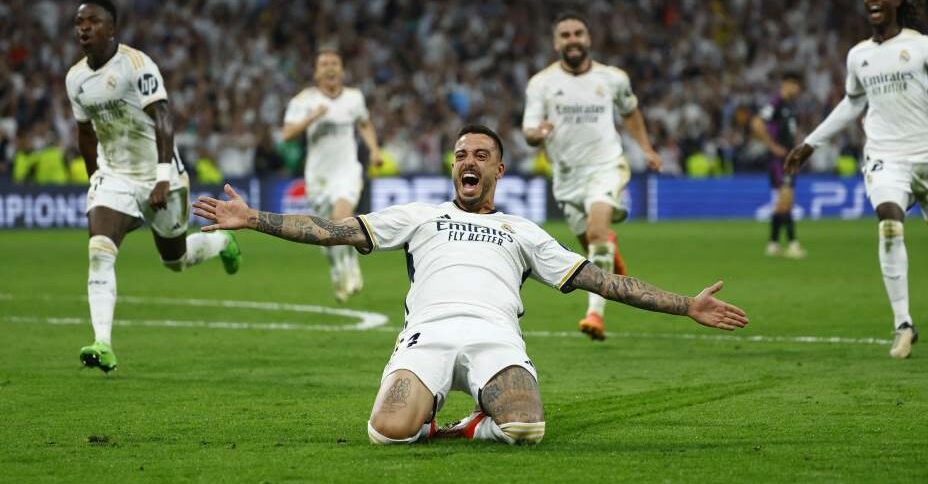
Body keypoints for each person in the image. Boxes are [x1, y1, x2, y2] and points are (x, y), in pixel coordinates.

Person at [193, 124, 748, 445]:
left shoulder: (522, 231)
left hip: (494, 338)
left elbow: (601, 280)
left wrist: (686, 305)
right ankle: (429, 418)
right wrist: (254, 219)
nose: (469, 161)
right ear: (453, 167)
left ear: (499, 170)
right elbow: (332, 230)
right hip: (427, 337)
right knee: (385, 433)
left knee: (527, 429)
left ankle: (468, 427)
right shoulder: (418, 216)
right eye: (461, 154)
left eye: (481, 155)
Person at [66, 0, 241, 373]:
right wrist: (95, 178)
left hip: (161, 175)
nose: (84, 28)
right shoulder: (75, 79)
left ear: (112, 28)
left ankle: (221, 242)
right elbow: (85, 133)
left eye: (93, 21)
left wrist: (162, 178)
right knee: (99, 250)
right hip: (115, 175)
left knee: (175, 260)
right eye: (79, 22)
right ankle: (102, 343)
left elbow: (163, 118)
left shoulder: (137, 65)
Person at [785, 0, 928, 359]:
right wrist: (811, 143)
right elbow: (852, 103)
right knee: (889, 223)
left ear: (898, 1)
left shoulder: (920, 47)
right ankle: (903, 324)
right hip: (886, 157)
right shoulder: (858, 55)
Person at [522, 12, 663, 341]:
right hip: (566, 176)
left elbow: (630, 113)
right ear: (556, 43)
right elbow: (529, 130)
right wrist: (537, 134)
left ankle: (594, 315)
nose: (572, 39)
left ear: (588, 39)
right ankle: (610, 251)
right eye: (565, 35)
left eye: (578, 33)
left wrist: (646, 148)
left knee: (597, 231)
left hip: (606, 165)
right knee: (592, 245)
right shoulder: (541, 84)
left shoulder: (612, 78)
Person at [281, 49, 383, 303]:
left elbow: (364, 123)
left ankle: (349, 266)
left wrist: (374, 150)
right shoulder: (304, 100)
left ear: (342, 70)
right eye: (324, 64)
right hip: (318, 176)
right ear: (316, 73)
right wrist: (312, 117)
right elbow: (287, 134)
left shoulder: (354, 98)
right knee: (326, 232)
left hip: (347, 171)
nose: (330, 68)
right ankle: (339, 267)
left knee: (341, 216)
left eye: (334, 63)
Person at [751, 72, 807, 259]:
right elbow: (757, 123)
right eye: (796, 85)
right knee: (786, 200)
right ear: (787, 84)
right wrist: (772, 146)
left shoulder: (789, 106)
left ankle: (773, 244)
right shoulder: (776, 103)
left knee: (782, 204)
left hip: (789, 159)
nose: (798, 90)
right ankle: (792, 244)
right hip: (779, 161)